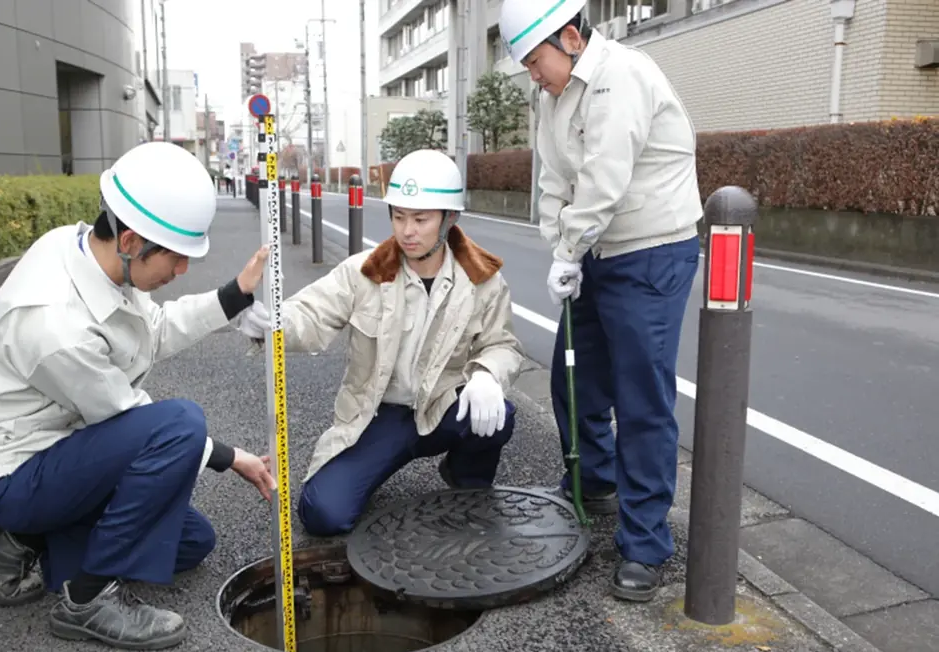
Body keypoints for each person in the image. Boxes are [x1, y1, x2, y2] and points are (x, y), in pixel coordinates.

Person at [0, 141, 278, 651]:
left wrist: (235, 294)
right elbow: (129, 418)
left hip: (61, 448)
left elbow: (154, 330)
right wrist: (226, 456)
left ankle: (21, 539)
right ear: (130, 240)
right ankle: (85, 600)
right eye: (175, 257)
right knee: (180, 424)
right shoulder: (55, 323)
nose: (182, 271)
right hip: (15, 470)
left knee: (191, 542)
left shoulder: (85, 250)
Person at [499, 0, 703, 602]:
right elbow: (554, 179)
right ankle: (594, 482)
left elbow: (605, 178)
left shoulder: (622, 77)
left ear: (570, 37)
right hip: (595, 250)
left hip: (650, 252)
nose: (534, 76)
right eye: (528, 66)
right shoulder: (552, 95)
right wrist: (559, 244)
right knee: (576, 377)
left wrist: (570, 248)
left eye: (537, 61)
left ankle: (645, 544)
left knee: (641, 398)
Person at [237, 149, 525, 536]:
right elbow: (312, 313)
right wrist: (273, 322)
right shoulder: (364, 272)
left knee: (498, 414)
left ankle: (465, 478)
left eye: (421, 219)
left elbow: (502, 344)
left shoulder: (482, 280)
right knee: (324, 514)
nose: (407, 231)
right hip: (379, 415)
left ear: (448, 219)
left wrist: (488, 375)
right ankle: (368, 469)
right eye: (399, 216)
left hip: (443, 406)